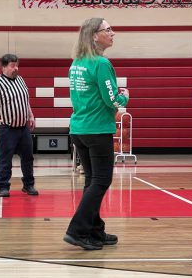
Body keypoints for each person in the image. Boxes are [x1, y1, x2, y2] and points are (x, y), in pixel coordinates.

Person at [63, 18, 130, 250]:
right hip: (97, 129)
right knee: (102, 180)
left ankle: (94, 230)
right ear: (94, 36)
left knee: (92, 181)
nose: (113, 33)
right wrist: (125, 97)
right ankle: (77, 230)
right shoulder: (101, 63)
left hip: (79, 129)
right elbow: (111, 99)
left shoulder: (77, 63)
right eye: (108, 29)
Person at [0, 54, 39, 197]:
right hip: (7, 128)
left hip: (23, 127)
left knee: (28, 158)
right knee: (5, 158)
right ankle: (3, 186)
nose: (16, 68)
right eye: (12, 66)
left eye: (16, 65)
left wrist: (31, 115)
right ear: (3, 67)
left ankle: (28, 185)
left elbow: (25, 100)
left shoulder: (20, 79)